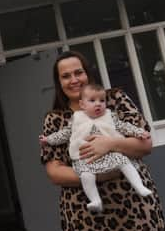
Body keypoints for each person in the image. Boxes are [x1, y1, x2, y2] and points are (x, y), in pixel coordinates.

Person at [41, 51, 165, 231]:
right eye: (66, 76)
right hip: (85, 216)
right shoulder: (55, 119)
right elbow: (54, 172)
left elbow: (145, 145)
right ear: (59, 82)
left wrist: (110, 144)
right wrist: (100, 172)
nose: (74, 80)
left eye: (78, 72)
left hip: (133, 207)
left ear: (88, 74)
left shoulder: (114, 100)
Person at [39, 82, 152, 212]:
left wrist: (139, 132)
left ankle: (139, 186)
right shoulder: (76, 119)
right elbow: (63, 134)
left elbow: (124, 126)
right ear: (82, 105)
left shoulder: (110, 116)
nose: (98, 104)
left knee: (124, 161)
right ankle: (95, 200)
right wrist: (48, 139)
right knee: (86, 175)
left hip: (110, 154)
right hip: (85, 158)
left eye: (102, 100)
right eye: (92, 100)